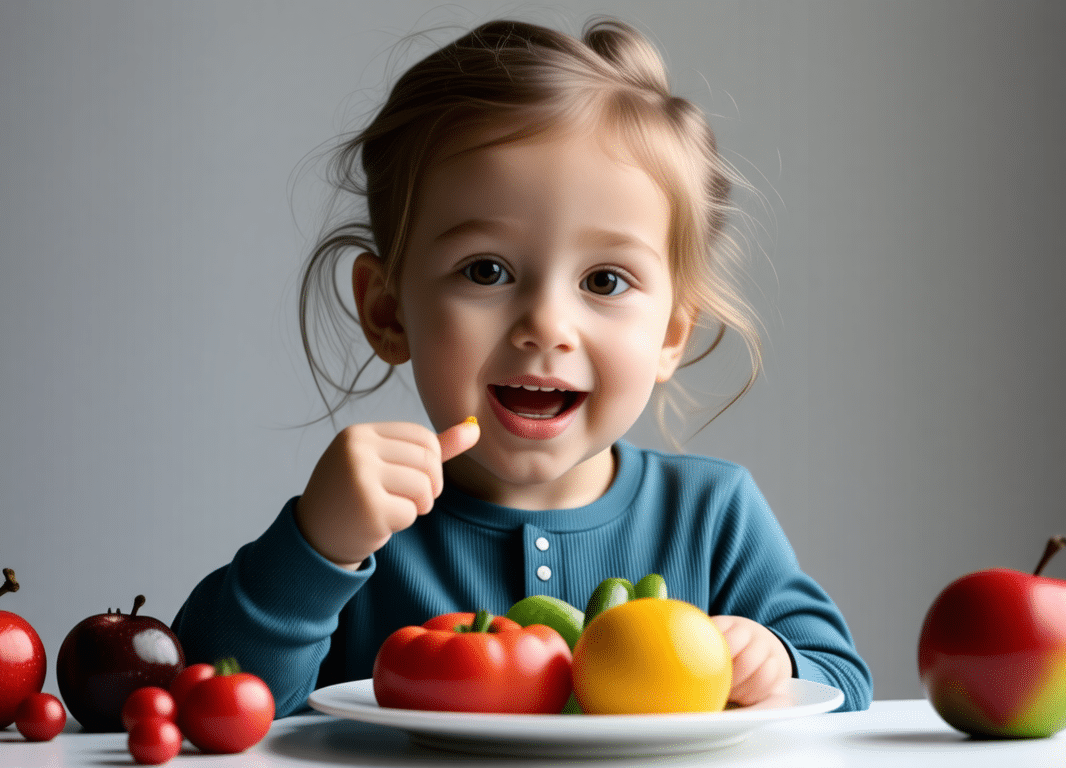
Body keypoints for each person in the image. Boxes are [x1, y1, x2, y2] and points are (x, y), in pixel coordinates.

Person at [172, 16, 872, 717]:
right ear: (388, 312)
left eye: (604, 281)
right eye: (487, 270)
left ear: (671, 336)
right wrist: (315, 547)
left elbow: (844, 683)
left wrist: (774, 661)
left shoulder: (714, 515)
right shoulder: (366, 526)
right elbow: (202, 699)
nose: (546, 325)